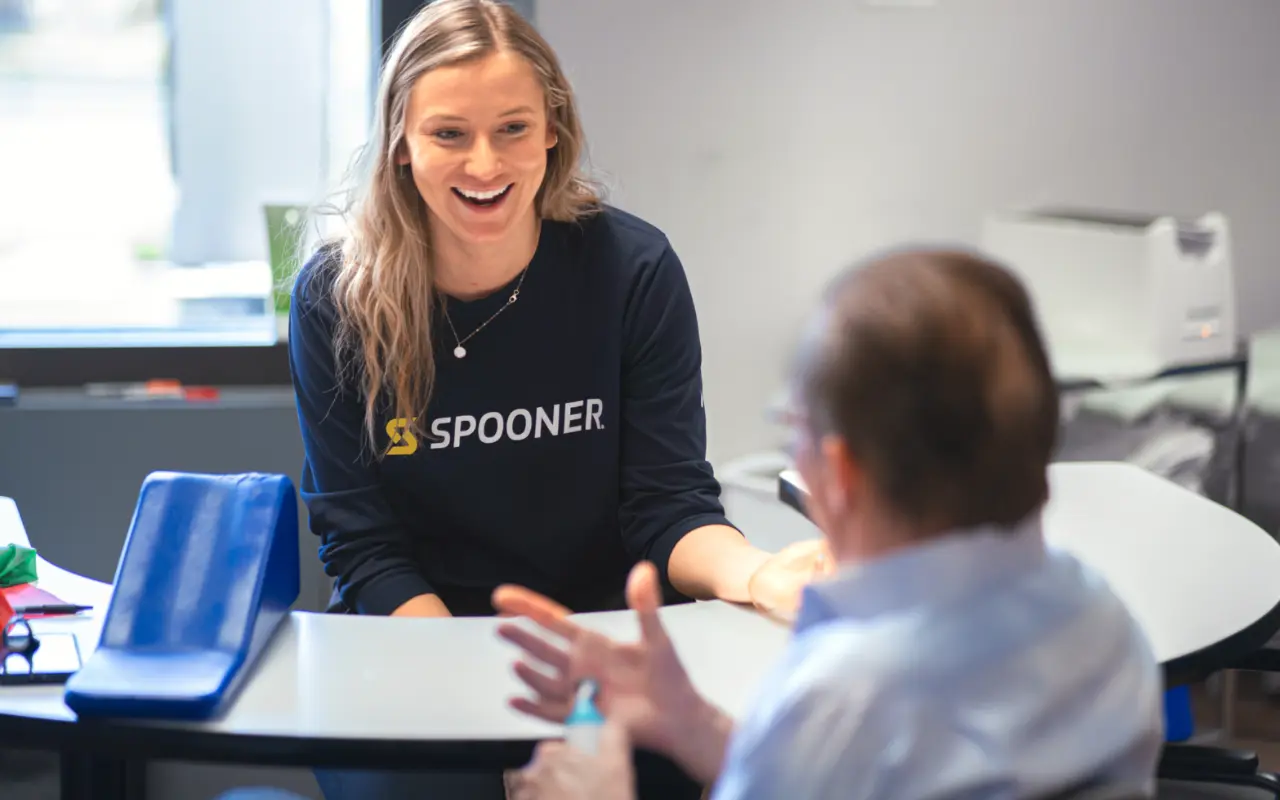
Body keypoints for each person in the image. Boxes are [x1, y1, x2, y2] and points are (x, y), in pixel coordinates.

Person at [284, 0, 823, 797]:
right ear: (401, 142)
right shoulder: (337, 297)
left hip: (603, 642)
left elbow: (668, 503)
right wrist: (486, 700)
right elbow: (364, 548)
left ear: (552, 131)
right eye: (448, 134)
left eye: (511, 128)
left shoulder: (632, 271)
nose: (484, 163)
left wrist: (761, 573)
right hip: (417, 644)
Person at [495, 248, 1167, 800]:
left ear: (839, 475)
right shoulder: (1102, 622)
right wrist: (695, 725)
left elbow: (837, 757)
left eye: (796, 429)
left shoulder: (844, 700)